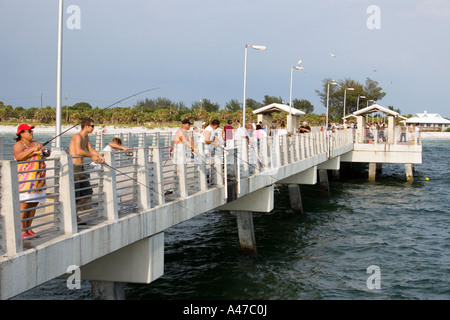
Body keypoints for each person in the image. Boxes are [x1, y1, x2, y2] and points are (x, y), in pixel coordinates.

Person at [13, 124, 51, 239]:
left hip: (38, 179)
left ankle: (29, 228)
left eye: (31, 131)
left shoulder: (36, 143)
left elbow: (47, 154)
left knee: (33, 204)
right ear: (21, 133)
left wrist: (44, 150)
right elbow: (18, 157)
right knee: (24, 205)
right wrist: (32, 150)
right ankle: (22, 229)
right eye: (28, 131)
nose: (31, 133)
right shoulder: (19, 145)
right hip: (25, 180)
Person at [69, 118, 105, 223]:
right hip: (74, 167)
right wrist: (92, 157)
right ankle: (74, 217)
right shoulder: (77, 136)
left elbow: (91, 149)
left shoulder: (86, 137)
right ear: (86, 126)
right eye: (92, 126)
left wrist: (99, 156)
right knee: (76, 195)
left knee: (87, 193)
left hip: (81, 168)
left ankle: (73, 214)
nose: (94, 128)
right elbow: (79, 151)